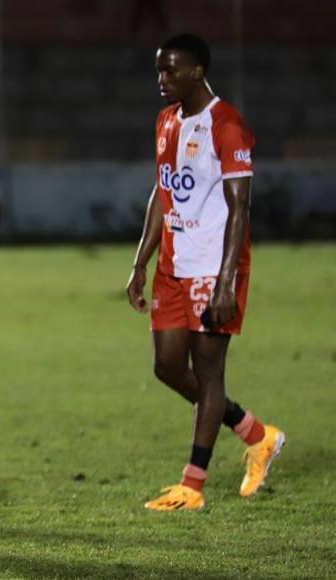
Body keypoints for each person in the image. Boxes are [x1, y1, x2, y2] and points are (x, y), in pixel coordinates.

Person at [126, 33, 284, 511]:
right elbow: (163, 191)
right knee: (168, 366)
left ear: (197, 71)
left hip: (213, 268)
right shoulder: (166, 120)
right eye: (158, 69)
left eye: (170, 69)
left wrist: (224, 281)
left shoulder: (228, 125)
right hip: (173, 266)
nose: (162, 78)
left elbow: (241, 210)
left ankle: (192, 486)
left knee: (209, 373)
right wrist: (140, 261)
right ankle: (256, 434)